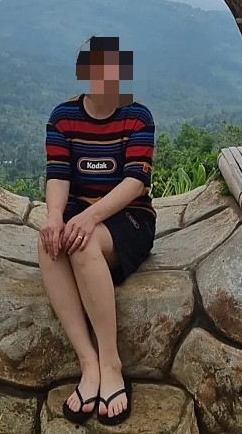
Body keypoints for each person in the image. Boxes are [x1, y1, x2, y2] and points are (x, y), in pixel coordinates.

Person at [37, 35, 156, 426]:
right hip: (78, 211)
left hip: (130, 217)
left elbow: (135, 182)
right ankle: (88, 365)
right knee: (50, 244)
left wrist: (90, 218)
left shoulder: (137, 117)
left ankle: (111, 364)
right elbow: (58, 174)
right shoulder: (62, 118)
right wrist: (55, 216)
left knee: (82, 245)